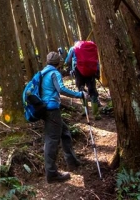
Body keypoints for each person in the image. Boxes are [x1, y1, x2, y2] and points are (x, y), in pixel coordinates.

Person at [41, 51, 88, 183]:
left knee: (65, 132)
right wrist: (79, 95)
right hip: (52, 110)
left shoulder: (43, 72)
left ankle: (72, 162)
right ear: (58, 63)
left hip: (45, 109)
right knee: (52, 139)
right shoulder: (54, 73)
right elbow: (61, 89)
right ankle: (51, 174)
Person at [65, 41, 101, 119]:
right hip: (91, 72)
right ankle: (96, 114)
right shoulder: (90, 48)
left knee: (81, 89)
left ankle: (85, 111)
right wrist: (97, 73)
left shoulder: (73, 48)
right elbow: (96, 60)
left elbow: (67, 61)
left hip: (78, 72)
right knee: (92, 90)